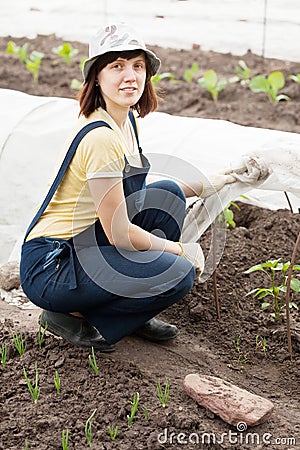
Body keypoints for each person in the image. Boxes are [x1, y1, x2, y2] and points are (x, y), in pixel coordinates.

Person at [20, 23, 235, 352]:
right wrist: (180, 250)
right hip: (52, 264)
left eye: (138, 66)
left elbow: (134, 194)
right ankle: (70, 315)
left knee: (170, 196)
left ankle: (129, 310)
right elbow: (120, 232)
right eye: (117, 66)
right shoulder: (101, 136)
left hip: (85, 242)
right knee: (178, 272)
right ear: (97, 76)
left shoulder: (125, 121)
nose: (130, 76)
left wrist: (212, 182)